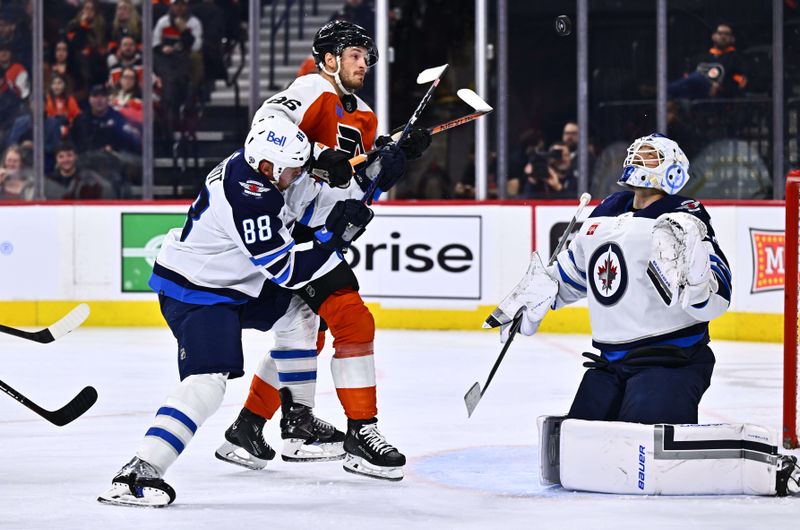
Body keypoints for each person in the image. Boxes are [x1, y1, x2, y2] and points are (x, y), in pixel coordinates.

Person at [489, 133, 800, 496]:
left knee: (648, 462)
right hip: (608, 364)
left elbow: (718, 296)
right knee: (571, 459)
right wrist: (541, 291)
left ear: (673, 170)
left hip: (670, 362)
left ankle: (763, 467)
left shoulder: (685, 218)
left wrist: (698, 281)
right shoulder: (604, 212)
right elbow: (573, 274)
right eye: (636, 152)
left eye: (651, 156)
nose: (639, 156)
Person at [97, 115, 375, 507]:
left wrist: (351, 166)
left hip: (235, 282)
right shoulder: (249, 198)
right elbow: (287, 270)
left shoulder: (260, 162)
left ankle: (298, 425)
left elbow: (303, 177)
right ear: (267, 169)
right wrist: (333, 237)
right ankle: (138, 472)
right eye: (293, 170)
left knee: (299, 314)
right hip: (197, 292)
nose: (298, 174)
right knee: (207, 382)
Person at [214, 20, 431, 481]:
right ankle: (360, 434)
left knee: (306, 335)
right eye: (353, 54)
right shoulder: (313, 88)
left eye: (365, 57)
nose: (362, 63)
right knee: (351, 320)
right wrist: (315, 153)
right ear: (329, 59)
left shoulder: (366, 116)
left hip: (317, 235)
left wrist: (394, 160)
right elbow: (267, 125)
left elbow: (356, 181)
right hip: (287, 231)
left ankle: (248, 427)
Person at [668, 22, 748, 100]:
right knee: (694, 78)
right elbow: (686, 78)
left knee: (697, 77)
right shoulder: (700, 58)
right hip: (694, 95)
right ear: (713, 36)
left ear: (732, 39)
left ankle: (663, 91)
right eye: (720, 33)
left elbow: (741, 83)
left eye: (727, 34)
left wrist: (721, 87)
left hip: (719, 98)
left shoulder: (737, 58)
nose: (723, 36)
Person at [45, 141, 115, 200]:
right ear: (56, 159)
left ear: (76, 157)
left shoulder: (88, 179)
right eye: (61, 157)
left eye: (69, 155)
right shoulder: (50, 181)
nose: (66, 160)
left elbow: (107, 191)